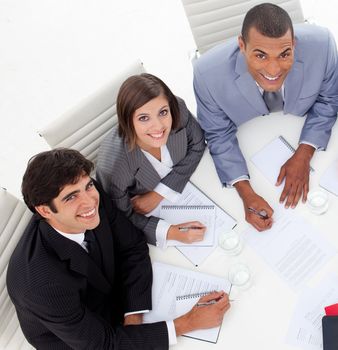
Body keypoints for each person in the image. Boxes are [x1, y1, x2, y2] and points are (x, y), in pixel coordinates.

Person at [6, 149, 230, 350]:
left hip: (112, 297)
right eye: (71, 197)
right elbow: (103, 345)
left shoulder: (93, 198)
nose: (89, 202)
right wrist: (187, 323)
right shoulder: (39, 286)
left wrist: (133, 314)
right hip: (77, 338)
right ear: (45, 211)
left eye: (87, 186)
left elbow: (133, 246)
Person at [193, 3, 338, 231]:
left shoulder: (323, 45)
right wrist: (246, 193)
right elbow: (218, 134)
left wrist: (304, 154)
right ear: (241, 45)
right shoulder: (206, 76)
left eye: (284, 54)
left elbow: (329, 101)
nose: (273, 69)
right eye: (260, 55)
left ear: (294, 45)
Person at [96, 73, 206, 248]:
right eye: (144, 118)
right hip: (155, 217)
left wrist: (159, 194)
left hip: (192, 187)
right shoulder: (114, 166)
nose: (158, 126)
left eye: (163, 112)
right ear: (128, 121)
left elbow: (198, 145)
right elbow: (121, 216)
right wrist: (170, 232)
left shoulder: (177, 108)